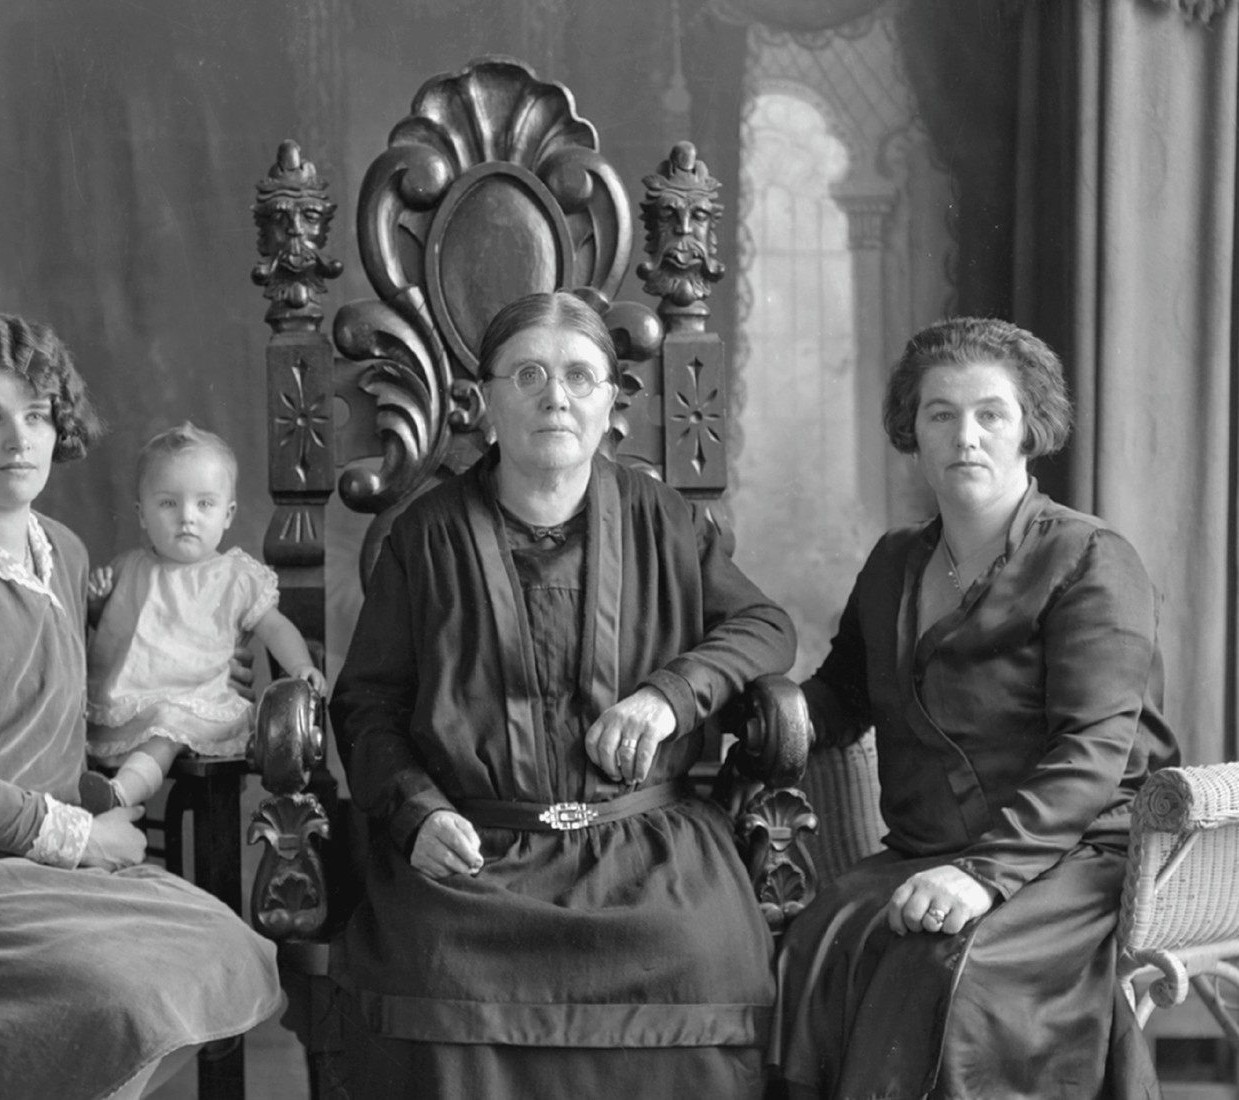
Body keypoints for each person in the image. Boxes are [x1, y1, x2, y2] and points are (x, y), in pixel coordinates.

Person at [329, 290, 798, 1098]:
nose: (557, 396)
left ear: (611, 399)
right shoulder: (425, 534)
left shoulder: (666, 519)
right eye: (531, 375)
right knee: (434, 969)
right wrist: (417, 811)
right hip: (476, 864)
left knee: (701, 949)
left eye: (581, 377)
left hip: (644, 851)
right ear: (484, 402)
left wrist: (669, 697)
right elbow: (365, 705)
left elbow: (764, 628)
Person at [0, 313, 284, 1100]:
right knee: (122, 996)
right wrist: (80, 836)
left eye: (35, 416)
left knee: (231, 949)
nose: (18, 440)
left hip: (35, 867)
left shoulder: (62, 551)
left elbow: (94, 691)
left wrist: (206, 674)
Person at [771, 316, 1178, 1100]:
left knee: (950, 966)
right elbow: (842, 697)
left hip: (1071, 850)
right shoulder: (895, 561)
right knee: (815, 944)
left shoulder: (1091, 559)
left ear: (1031, 430)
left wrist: (983, 877)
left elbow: (1090, 755)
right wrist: (755, 713)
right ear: (912, 432)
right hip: (930, 846)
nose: (966, 436)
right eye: (940, 414)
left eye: (991, 414)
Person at [81, 422, 324, 812]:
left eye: (204, 504)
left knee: (165, 731)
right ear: (142, 515)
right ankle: (103, 811)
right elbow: (116, 633)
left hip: (197, 704)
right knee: (138, 724)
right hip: (129, 704)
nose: (187, 517)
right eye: (168, 504)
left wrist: (299, 665)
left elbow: (275, 626)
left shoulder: (235, 577)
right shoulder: (129, 568)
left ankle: (122, 795)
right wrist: (97, 605)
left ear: (228, 515)